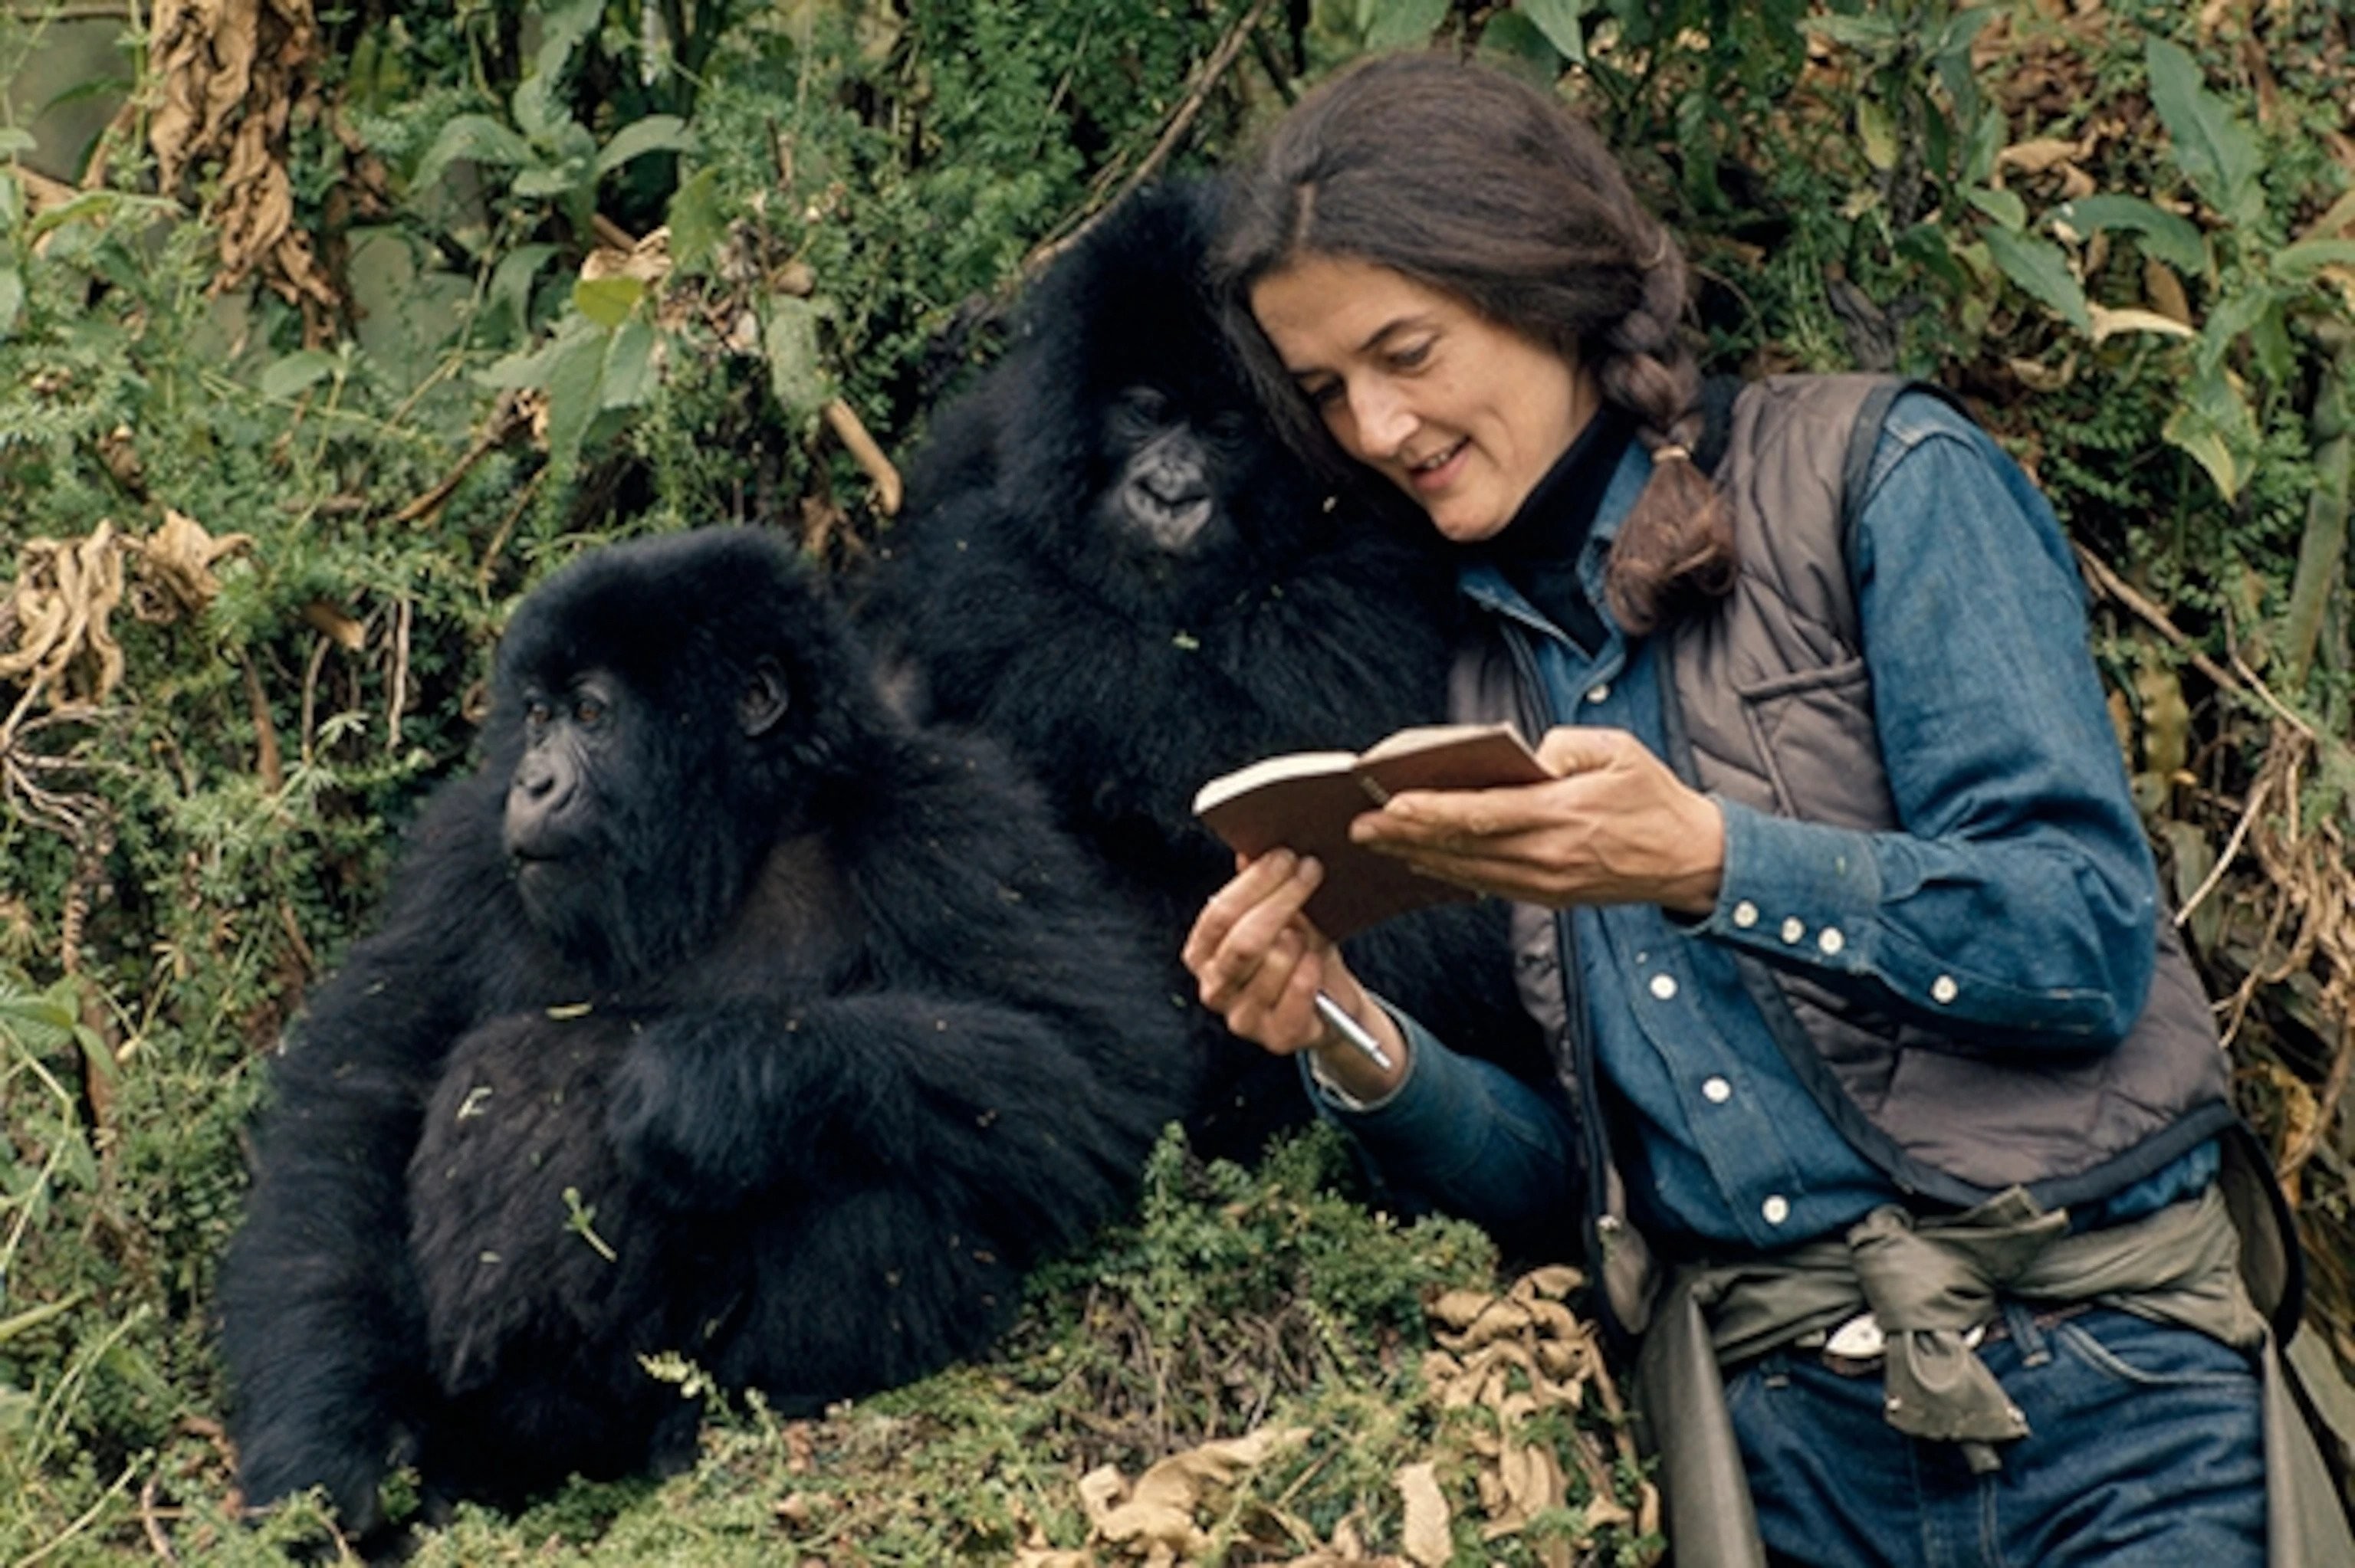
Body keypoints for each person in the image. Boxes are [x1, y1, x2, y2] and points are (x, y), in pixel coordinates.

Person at [1179, 50, 2345, 1568]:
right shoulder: (1476, 680)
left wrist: (1712, 861)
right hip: (1783, 1465)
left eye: (1409, 351)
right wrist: (1351, 1039)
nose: (1381, 427)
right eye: (1330, 391)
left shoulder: (1878, 474)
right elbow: (1586, 1193)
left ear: (1546, 286)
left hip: (2109, 1401)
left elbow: (2083, 937)